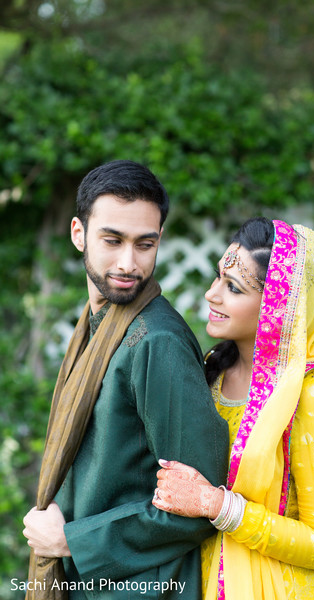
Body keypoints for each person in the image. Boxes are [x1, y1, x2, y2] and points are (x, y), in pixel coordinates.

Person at [22, 160, 229, 599]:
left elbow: (198, 505)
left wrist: (70, 541)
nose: (128, 263)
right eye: (112, 240)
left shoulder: (157, 342)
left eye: (145, 244)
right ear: (79, 233)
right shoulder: (98, 324)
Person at [153, 217, 314, 600]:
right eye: (218, 278)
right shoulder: (212, 371)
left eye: (233, 288)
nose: (211, 295)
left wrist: (216, 505)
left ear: (279, 304)